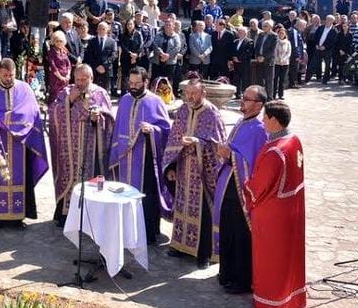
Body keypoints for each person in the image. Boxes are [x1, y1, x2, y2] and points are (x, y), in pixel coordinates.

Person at [244, 100, 305, 308]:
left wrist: (245, 186)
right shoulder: (294, 141)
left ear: (274, 120)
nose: (262, 121)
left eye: (265, 118)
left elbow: (257, 187)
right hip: (291, 213)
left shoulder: (274, 151)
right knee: (288, 262)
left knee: (269, 266)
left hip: (271, 218)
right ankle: (289, 306)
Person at [0, 59, 49, 229]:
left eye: (11, 75)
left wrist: (8, 118)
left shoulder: (24, 89)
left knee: (21, 178)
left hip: (20, 145)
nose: (9, 78)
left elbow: (32, 113)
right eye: (5, 75)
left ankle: (18, 217)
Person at [162, 79, 226, 269]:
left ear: (203, 93)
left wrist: (198, 142)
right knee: (181, 206)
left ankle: (203, 253)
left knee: (204, 211)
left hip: (202, 173)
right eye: (187, 93)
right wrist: (171, 167)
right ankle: (180, 246)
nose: (190, 96)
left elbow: (218, 145)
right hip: (183, 168)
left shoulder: (212, 113)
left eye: (194, 93)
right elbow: (173, 138)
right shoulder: (182, 110)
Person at [213, 86, 268, 295]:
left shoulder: (260, 129)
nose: (242, 101)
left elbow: (253, 162)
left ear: (259, 105)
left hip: (242, 190)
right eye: (243, 98)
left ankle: (241, 279)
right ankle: (227, 272)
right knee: (227, 230)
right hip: (228, 183)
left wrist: (230, 155)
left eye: (247, 99)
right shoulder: (240, 121)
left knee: (240, 234)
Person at [109, 67, 172, 245]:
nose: (133, 86)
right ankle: (125, 231)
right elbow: (118, 127)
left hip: (146, 158)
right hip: (124, 157)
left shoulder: (155, 101)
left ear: (145, 82)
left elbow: (166, 130)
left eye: (137, 83)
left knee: (146, 195)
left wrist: (152, 130)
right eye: (131, 83)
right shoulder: (125, 100)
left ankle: (147, 233)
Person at [48, 64, 115, 226]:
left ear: (91, 78)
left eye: (84, 79)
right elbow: (52, 113)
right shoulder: (66, 92)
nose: (80, 82)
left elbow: (110, 120)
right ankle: (65, 216)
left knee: (92, 178)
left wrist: (98, 118)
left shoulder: (100, 94)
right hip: (69, 151)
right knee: (68, 178)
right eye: (77, 79)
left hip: (91, 149)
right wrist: (69, 100)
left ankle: (89, 218)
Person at [83, 21, 117, 92]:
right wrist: (97, 66)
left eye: (103, 29)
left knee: (105, 92)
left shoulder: (112, 42)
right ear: (97, 29)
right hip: (94, 70)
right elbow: (89, 55)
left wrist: (104, 66)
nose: (101, 31)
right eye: (100, 29)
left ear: (107, 30)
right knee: (93, 91)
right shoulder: (92, 41)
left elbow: (114, 55)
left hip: (106, 70)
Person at [308, 14, 337, 84]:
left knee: (327, 65)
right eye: (327, 19)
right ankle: (307, 78)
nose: (327, 21)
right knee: (313, 63)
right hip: (318, 48)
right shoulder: (321, 27)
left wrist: (325, 47)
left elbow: (333, 42)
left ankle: (325, 80)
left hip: (327, 50)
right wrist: (317, 45)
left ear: (332, 21)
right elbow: (316, 37)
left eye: (329, 20)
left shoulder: (334, 30)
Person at [119, 18, 143, 94]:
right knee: (125, 76)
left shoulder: (138, 34)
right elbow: (122, 45)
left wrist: (136, 55)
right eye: (128, 24)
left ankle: (134, 92)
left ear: (134, 25)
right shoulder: (123, 35)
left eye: (131, 24)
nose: (130, 26)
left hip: (136, 58)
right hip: (125, 58)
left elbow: (141, 45)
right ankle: (124, 93)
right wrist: (130, 54)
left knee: (134, 75)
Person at [46, 30, 72, 104]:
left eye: (61, 41)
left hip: (65, 79)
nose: (59, 43)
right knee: (55, 96)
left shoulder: (64, 50)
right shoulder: (51, 52)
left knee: (64, 95)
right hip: (56, 79)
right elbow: (53, 66)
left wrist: (68, 75)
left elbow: (68, 64)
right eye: (57, 41)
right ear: (54, 41)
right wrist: (61, 77)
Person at [254, 20, 277, 93]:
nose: (263, 27)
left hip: (268, 61)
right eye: (263, 26)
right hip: (259, 60)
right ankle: (260, 96)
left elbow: (273, 50)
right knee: (259, 80)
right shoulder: (260, 35)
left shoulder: (274, 36)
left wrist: (264, 57)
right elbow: (257, 47)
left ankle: (269, 98)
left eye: (265, 26)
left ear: (270, 27)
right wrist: (257, 56)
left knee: (268, 81)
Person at [231, 26, 254, 97]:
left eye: (242, 32)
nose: (240, 33)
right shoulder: (236, 41)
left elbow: (248, 52)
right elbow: (233, 51)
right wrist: (233, 57)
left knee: (245, 79)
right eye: (239, 32)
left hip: (244, 63)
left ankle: (245, 94)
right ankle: (237, 93)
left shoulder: (249, 41)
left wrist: (239, 58)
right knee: (237, 78)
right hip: (236, 63)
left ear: (245, 33)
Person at [273, 27, 291, 100]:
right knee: (275, 79)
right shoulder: (275, 42)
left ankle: (281, 94)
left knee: (282, 79)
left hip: (285, 63)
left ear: (285, 34)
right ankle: (273, 94)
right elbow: (274, 51)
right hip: (276, 63)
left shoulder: (288, 42)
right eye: (280, 33)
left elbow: (289, 52)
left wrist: (284, 59)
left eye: (283, 33)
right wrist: (277, 59)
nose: (281, 35)